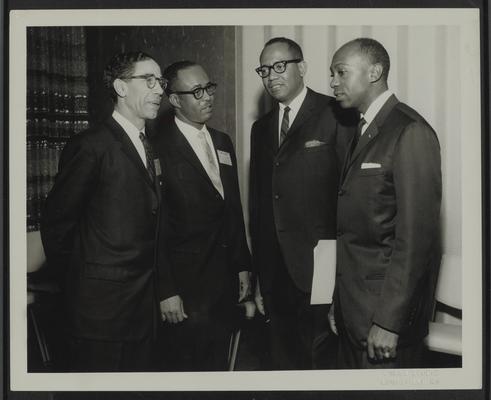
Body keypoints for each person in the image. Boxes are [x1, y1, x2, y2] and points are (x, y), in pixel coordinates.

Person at [41, 51, 166, 371]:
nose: (160, 90)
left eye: (160, 81)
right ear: (121, 88)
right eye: (149, 80)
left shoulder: (149, 144)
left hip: (142, 310)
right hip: (99, 315)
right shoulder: (91, 145)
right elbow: (57, 225)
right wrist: (83, 288)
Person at [329, 38, 442, 368]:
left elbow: (416, 241)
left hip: (384, 322)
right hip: (354, 313)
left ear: (375, 71)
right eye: (332, 73)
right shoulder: (362, 130)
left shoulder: (410, 131)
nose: (333, 82)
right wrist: (340, 303)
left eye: (341, 72)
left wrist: (389, 322)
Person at [249, 37, 355, 370]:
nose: (272, 76)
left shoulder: (336, 114)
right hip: (275, 270)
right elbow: (259, 205)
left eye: (280, 66)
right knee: (282, 360)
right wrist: (260, 278)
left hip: (322, 265)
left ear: (303, 68)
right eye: (264, 69)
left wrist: (342, 276)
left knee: (320, 358)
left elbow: (349, 196)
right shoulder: (261, 128)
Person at [153, 61, 251, 371]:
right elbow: (155, 227)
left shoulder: (222, 141)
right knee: (186, 373)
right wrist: (166, 289)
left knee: (218, 367)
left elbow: (232, 209)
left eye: (208, 88)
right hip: (185, 288)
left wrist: (242, 266)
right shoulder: (157, 148)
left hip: (223, 282)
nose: (207, 96)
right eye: (196, 92)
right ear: (175, 100)